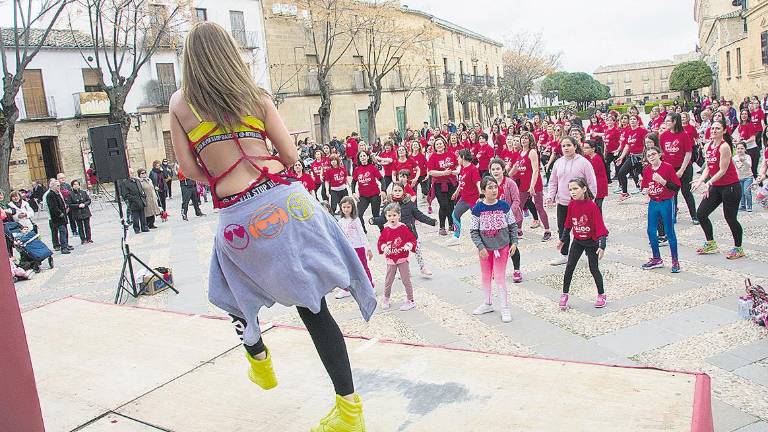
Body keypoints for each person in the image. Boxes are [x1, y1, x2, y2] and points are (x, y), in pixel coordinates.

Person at [168, 22, 374, 430]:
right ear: (230, 53)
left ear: (190, 59)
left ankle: (258, 357)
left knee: (229, 287)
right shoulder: (256, 96)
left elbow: (189, 169)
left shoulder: (180, 102)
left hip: (239, 216)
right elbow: (292, 155)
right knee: (313, 305)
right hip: (286, 201)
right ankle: (350, 412)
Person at [692, 118, 745, 259]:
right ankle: (710, 243)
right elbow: (709, 167)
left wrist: (708, 183)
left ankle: (738, 247)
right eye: (713, 128)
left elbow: (722, 170)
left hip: (730, 187)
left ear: (724, 131)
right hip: (716, 186)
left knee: (730, 218)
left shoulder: (724, 146)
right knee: (701, 213)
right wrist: (701, 180)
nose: (714, 131)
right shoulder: (708, 146)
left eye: (718, 129)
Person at [469, 176, 518, 323]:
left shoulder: (504, 206)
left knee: (500, 277)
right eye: (489, 188)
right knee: (485, 276)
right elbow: (473, 231)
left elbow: (513, 226)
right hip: (484, 250)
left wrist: (514, 242)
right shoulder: (477, 209)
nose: (493, 190)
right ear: (483, 191)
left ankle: (504, 307)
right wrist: (480, 247)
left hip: (502, 248)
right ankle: (488, 303)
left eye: (495, 187)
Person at [557, 177, 608, 310]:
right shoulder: (572, 204)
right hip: (578, 241)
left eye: (575, 188)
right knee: (569, 267)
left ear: (584, 189)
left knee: (593, 268)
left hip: (592, 242)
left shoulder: (592, 206)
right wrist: (562, 239)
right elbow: (568, 224)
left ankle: (601, 294)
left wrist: (602, 246)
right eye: (570, 189)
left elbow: (600, 227)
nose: (572, 192)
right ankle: (564, 294)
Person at [546, 136, 598, 266]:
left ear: (575, 146)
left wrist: (591, 199)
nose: (566, 148)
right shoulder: (558, 162)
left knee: (583, 228)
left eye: (569, 145)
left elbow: (591, 181)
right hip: (563, 202)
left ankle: (588, 251)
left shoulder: (583, 162)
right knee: (562, 228)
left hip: (580, 203)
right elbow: (553, 181)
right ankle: (564, 254)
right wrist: (550, 196)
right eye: (563, 146)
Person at [371, 182, 436, 278]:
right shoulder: (389, 204)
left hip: (410, 232)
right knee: (401, 254)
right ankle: (405, 271)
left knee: (417, 250)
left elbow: (419, 215)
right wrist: (373, 220)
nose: (397, 192)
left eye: (399, 190)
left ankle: (422, 268)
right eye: (395, 190)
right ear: (392, 191)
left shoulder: (408, 203)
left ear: (403, 191)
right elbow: (383, 218)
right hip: (396, 236)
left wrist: (431, 221)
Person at [641, 146, 681, 273]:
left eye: (653, 154)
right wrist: (645, 191)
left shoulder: (667, 167)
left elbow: (676, 187)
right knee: (651, 231)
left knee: (669, 231)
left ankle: (675, 260)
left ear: (659, 154)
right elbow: (645, 186)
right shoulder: (647, 170)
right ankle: (656, 258)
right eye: (649, 155)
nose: (651, 157)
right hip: (654, 202)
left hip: (666, 202)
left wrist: (663, 181)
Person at [377, 201, 417, 311]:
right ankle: (386, 298)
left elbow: (411, 239)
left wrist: (408, 245)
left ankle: (411, 300)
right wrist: (384, 247)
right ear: (386, 216)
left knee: (406, 280)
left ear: (399, 215)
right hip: (391, 259)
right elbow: (381, 242)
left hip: (402, 258)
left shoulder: (403, 228)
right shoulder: (385, 230)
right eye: (389, 215)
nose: (392, 218)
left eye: (394, 215)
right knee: (388, 280)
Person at [511, 132, 551, 241]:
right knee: (518, 207)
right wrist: (506, 177)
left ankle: (547, 230)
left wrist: (532, 186)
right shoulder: (520, 152)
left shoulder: (532, 152)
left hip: (535, 184)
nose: (523, 140)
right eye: (522, 138)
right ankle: (518, 230)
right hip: (523, 184)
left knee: (539, 207)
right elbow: (515, 167)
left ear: (530, 140)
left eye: (526, 138)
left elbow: (536, 170)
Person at [489, 158, 523, 282]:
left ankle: (517, 270)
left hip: (510, 220)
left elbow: (516, 201)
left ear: (503, 169)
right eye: (493, 169)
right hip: (494, 220)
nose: (496, 171)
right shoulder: (489, 184)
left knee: (511, 244)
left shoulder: (510, 183)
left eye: (498, 168)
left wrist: (507, 214)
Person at [659, 113, 697, 224]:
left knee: (686, 191)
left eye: (668, 121)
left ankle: (694, 216)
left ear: (675, 121)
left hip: (684, 167)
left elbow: (688, 153)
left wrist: (682, 170)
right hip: (670, 168)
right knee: (672, 192)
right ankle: (673, 215)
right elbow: (662, 152)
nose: (666, 123)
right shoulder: (664, 135)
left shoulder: (683, 135)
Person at [334, 196, 374, 299]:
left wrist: (368, 248)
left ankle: (370, 286)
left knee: (363, 267)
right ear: (341, 208)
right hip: (347, 249)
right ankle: (346, 289)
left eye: (348, 207)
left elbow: (362, 234)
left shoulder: (356, 220)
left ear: (352, 207)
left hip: (359, 247)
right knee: (347, 269)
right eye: (344, 207)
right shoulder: (340, 221)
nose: (346, 209)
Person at [445, 149, 480, 246]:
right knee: (455, 215)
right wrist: (456, 192)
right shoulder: (462, 168)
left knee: (479, 218)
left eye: (458, 157)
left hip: (474, 199)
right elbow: (461, 182)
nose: (457, 159)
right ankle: (456, 236)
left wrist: (481, 195)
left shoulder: (473, 169)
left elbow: (478, 183)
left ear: (463, 157)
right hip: (464, 198)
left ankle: (485, 236)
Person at [427, 137, 458, 236]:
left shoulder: (451, 154)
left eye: (441, 144)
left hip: (451, 182)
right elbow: (431, 172)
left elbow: (457, 166)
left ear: (444, 144)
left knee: (451, 204)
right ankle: (442, 226)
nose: (439, 145)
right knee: (443, 205)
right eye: (437, 144)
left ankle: (451, 224)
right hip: (439, 184)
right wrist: (443, 173)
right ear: (435, 147)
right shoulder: (433, 157)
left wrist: (455, 172)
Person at [351, 150, 385, 233]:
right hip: (363, 196)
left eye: (364, 156)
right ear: (359, 159)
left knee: (376, 215)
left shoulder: (372, 167)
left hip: (375, 195)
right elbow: (353, 182)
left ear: (368, 157)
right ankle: (363, 231)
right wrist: (353, 192)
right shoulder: (357, 169)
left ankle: (382, 230)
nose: (363, 158)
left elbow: (381, 179)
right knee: (358, 214)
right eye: (361, 156)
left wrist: (383, 190)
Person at [616, 116, 647, 201]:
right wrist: (621, 157)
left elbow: (646, 144)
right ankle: (625, 193)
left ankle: (650, 195)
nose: (632, 121)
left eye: (634, 119)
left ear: (638, 121)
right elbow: (627, 145)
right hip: (632, 156)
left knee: (645, 175)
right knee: (621, 173)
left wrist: (645, 156)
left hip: (641, 156)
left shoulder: (643, 131)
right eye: (631, 119)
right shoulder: (628, 131)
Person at [46, 179, 72, 254]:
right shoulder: (50, 195)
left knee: (65, 231)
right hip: (57, 218)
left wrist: (65, 209)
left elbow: (62, 203)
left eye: (59, 186)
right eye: (57, 186)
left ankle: (66, 245)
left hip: (63, 216)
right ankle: (63, 247)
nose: (59, 187)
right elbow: (53, 207)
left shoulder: (57, 193)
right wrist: (60, 213)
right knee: (62, 231)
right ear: (52, 186)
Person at [581, 140, 608, 211]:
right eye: (584, 148)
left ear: (593, 149)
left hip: (599, 185)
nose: (584, 150)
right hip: (593, 184)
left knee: (597, 207)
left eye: (587, 148)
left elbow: (590, 173)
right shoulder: (587, 157)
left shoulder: (597, 159)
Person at [66, 179, 93, 244]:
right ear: (72, 186)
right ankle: (83, 239)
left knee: (87, 226)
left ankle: (89, 238)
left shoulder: (83, 192)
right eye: (74, 184)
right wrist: (78, 205)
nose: (76, 186)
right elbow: (70, 204)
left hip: (85, 211)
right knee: (80, 227)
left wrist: (84, 204)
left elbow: (88, 200)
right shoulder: (70, 194)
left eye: (77, 184)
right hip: (77, 213)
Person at [733, 143, 753, 212]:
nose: (740, 150)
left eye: (742, 148)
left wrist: (744, 161)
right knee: (741, 193)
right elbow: (733, 168)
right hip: (739, 178)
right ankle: (742, 206)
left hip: (748, 177)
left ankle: (749, 205)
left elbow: (749, 166)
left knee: (746, 191)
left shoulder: (748, 157)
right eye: (738, 148)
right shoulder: (734, 158)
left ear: (745, 149)